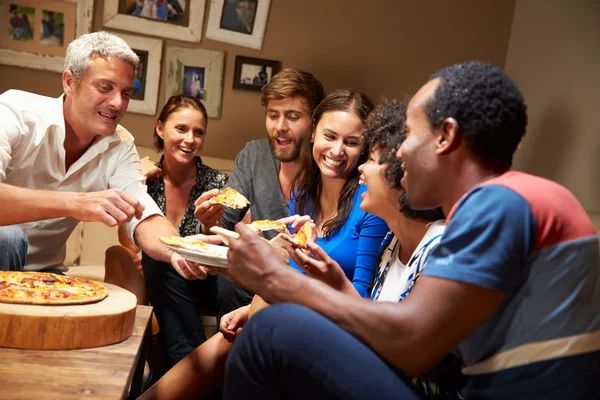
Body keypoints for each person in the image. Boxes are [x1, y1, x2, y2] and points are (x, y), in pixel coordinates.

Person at [214, 61, 600, 399]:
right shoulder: (500, 202)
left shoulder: (501, 203)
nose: (399, 153)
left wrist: (276, 278)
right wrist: (335, 284)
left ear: (445, 137)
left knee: (273, 332)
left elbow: (412, 346)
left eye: (410, 134)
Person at [0, 32, 199, 279]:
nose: (117, 103)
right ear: (70, 82)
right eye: (105, 87)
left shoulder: (121, 145)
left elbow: (144, 215)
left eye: (126, 93)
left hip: (47, 276)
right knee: (7, 238)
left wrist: (182, 251)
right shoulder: (15, 112)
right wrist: (76, 203)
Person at [106, 95, 228, 370]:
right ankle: (190, 370)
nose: (190, 139)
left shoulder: (217, 185)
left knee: (159, 258)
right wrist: (138, 180)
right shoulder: (140, 177)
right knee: (149, 257)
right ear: (161, 128)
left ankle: (190, 371)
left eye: (198, 132)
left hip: (203, 277)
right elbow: (129, 243)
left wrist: (211, 225)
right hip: (160, 278)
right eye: (181, 129)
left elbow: (221, 243)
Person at [193, 68, 325, 321]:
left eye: (293, 117)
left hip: (301, 281)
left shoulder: (327, 166)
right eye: (272, 115)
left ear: (314, 122)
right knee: (227, 283)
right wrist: (209, 222)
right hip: (251, 279)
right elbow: (224, 223)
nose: (280, 127)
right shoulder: (254, 155)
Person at [283, 88, 388, 297]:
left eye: (351, 142)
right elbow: (293, 277)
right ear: (313, 131)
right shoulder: (301, 196)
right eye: (329, 136)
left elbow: (362, 296)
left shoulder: (370, 205)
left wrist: (310, 262)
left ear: (364, 147)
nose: (337, 151)